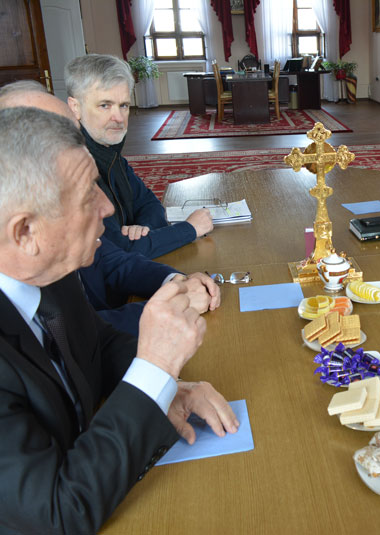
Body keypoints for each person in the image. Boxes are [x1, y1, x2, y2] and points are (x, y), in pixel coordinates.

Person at [0, 107, 239, 533]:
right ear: (25, 233)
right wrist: (154, 369)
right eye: (86, 197)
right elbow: (60, 515)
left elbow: (99, 344)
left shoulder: (51, 274)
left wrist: (169, 388)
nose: (108, 207)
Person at [0, 80, 221, 336]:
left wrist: (175, 284)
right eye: (105, 105)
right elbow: (77, 338)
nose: (106, 208)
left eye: (123, 105)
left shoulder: (104, 159)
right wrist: (173, 307)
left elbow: (112, 260)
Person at [65, 54, 214, 259]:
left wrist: (143, 229)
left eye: (123, 105)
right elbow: (118, 252)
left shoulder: (111, 155)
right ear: (75, 108)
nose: (118, 118)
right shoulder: (74, 171)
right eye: (104, 105)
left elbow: (150, 204)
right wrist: (190, 228)